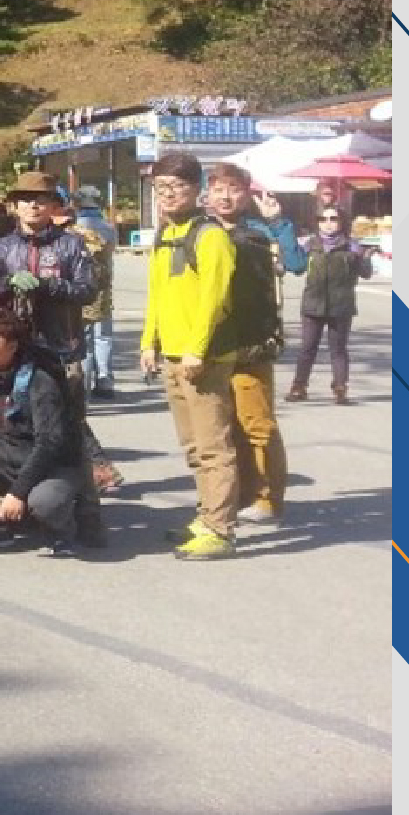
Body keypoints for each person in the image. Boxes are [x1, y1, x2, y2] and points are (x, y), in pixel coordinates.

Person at [0, 172, 117, 495]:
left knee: (70, 414)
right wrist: (8, 283)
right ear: (15, 206)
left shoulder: (72, 244)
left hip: (61, 344)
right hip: (17, 347)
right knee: (21, 414)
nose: (33, 206)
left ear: (53, 206)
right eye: (26, 200)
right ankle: (30, 481)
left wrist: (48, 285)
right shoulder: (2, 248)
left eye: (41, 200)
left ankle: (89, 486)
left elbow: (87, 291)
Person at [141, 152, 243, 560]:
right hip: (173, 354)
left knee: (214, 446)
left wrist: (196, 350)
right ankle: (206, 516)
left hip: (203, 357)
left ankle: (220, 529)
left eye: (177, 186)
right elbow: (157, 293)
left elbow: (213, 300)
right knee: (193, 445)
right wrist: (148, 342)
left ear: (197, 190)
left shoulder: (210, 236)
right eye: (161, 187)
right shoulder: (167, 233)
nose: (168, 194)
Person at [204, 163, 306, 525]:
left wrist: (279, 223)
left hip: (252, 341)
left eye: (234, 189)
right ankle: (235, 495)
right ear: (207, 195)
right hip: (209, 342)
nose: (226, 196)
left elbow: (297, 263)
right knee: (222, 426)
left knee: (256, 422)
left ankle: (267, 498)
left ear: (247, 195)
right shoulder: (201, 230)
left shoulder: (262, 232)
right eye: (219, 189)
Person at [0, 307, 88, 556]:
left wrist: (18, 492)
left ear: (12, 347)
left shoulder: (38, 381)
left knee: (45, 502)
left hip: (48, 470)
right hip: (3, 464)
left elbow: (49, 445)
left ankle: (62, 530)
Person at [290, 206, 373, 406]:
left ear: (342, 221)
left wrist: (364, 257)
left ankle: (340, 388)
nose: (327, 223)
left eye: (333, 219)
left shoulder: (351, 246)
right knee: (307, 348)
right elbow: (297, 268)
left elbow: (365, 273)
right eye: (323, 219)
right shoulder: (310, 244)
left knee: (338, 350)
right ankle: (299, 387)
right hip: (313, 305)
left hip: (341, 306)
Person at [70, 188, 121, 397]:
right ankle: (105, 379)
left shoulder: (73, 229)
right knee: (103, 335)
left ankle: (84, 385)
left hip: (82, 287)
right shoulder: (109, 229)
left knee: (84, 338)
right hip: (104, 287)